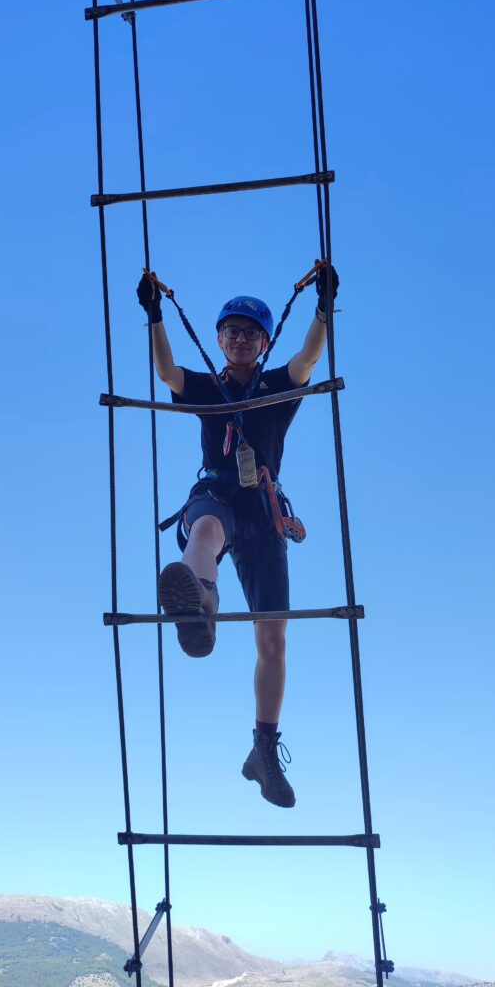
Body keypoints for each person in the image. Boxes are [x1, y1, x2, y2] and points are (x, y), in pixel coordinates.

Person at [137, 264, 339, 808]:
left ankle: (264, 749)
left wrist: (323, 308)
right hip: (218, 495)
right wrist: (156, 316)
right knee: (203, 528)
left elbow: (309, 358)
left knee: (273, 640)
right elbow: (168, 374)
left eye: (251, 333)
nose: (240, 339)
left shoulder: (277, 387)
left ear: (264, 341)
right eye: (231, 331)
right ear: (220, 339)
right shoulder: (209, 385)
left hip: (264, 509)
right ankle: (198, 598)